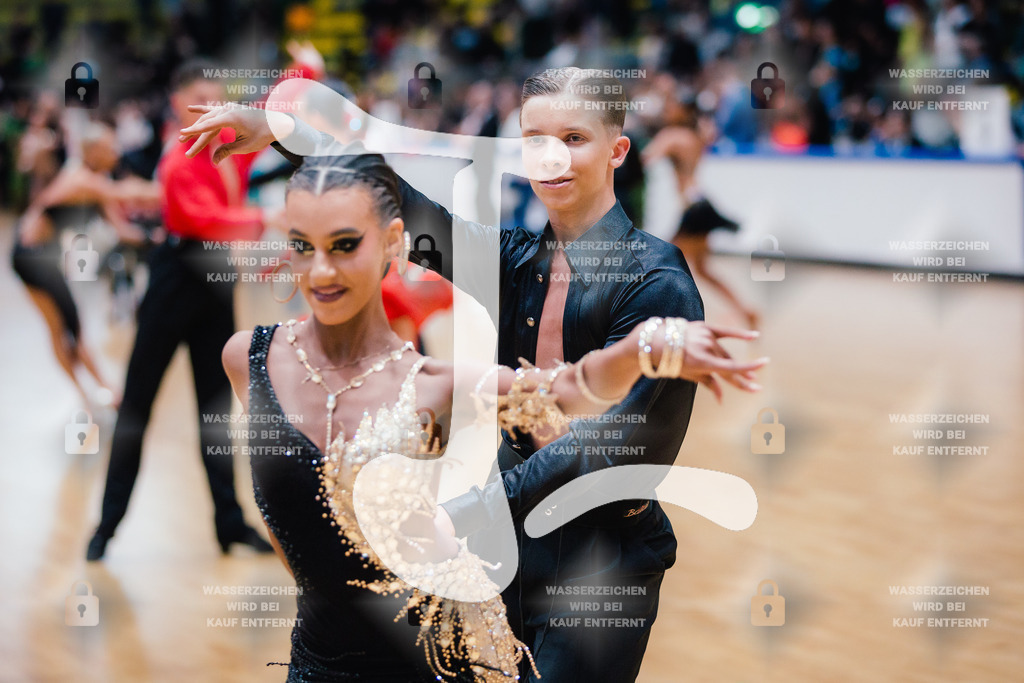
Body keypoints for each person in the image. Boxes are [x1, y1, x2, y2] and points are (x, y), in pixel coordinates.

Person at [180, 66, 763, 681]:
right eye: (536, 139)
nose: (552, 157)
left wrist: (468, 511)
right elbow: (398, 202)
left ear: (617, 150)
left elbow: (622, 451)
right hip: (498, 548)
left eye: (574, 138)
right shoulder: (514, 260)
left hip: (598, 563)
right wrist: (280, 130)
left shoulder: (656, 281)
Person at [85, 60, 278, 561]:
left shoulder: (228, 146)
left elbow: (279, 109)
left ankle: (230, 525)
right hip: (175, 277)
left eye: (217, 101)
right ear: (177, 103)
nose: (211, 110)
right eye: (200, 100)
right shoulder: (177, 158)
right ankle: (107, 526)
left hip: (214, 280)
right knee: (138, 404)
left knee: (216, 410)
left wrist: (304, 70)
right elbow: (201, 217)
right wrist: (264, 217)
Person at [11, 120, 147, 408]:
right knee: (70, 327)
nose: (116, 153)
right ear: (93, 151)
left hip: (35, 256)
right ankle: (109, 395)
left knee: (61, 328)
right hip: (32, 257)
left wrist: (156, 238)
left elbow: (123, 230)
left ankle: (89, 395)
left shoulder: (94, 184)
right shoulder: (82, 179)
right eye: (110, 148)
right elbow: (129, 192)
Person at [642, 98, 759, 329]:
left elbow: (643, 159)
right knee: (701, 269)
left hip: (693, 208)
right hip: (701, 203)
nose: (667, 111)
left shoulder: (672, 135)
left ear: (682, 111)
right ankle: (745, 311)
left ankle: (664, 318)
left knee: (662, 261)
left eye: (670, 107)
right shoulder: (696, 137)